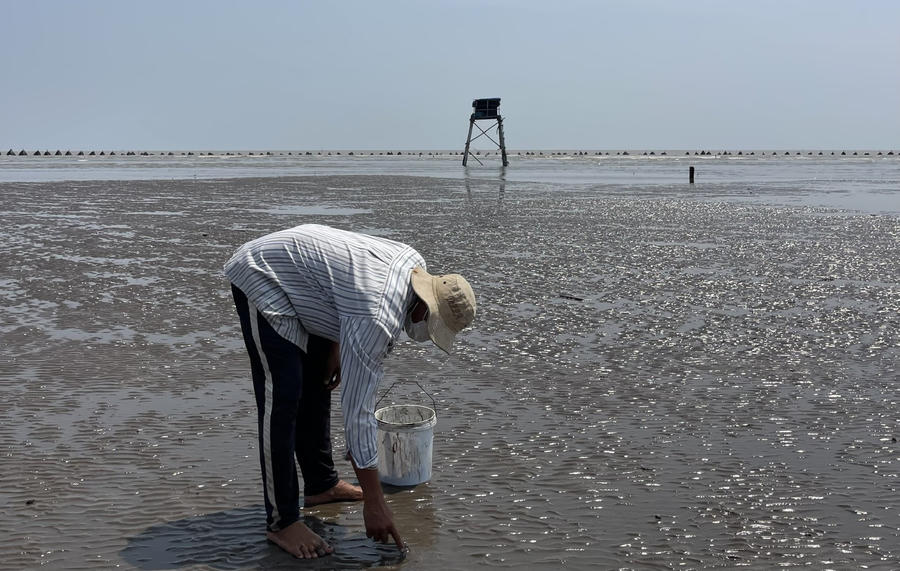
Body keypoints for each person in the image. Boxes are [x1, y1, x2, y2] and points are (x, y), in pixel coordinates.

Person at [224, 223, 476, 559]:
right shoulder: (377, 317)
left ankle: (322, 484)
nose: (425, 334)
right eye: (432, 326)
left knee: (318, 381)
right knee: (283, 399)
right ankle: (281, 522)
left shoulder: (414, 264)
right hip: (264, 273)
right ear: (423, 309)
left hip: (306, 280)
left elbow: (342, 286)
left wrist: (336, 344)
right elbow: (358, 415)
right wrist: (375, 502)